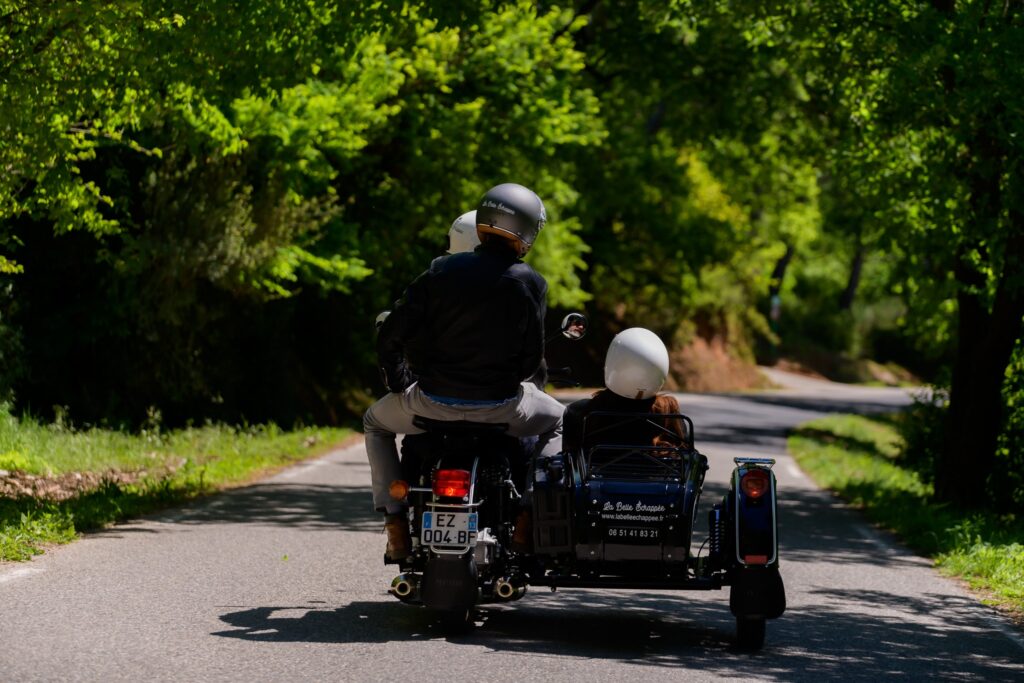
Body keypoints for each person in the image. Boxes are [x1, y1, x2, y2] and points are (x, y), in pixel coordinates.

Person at [365, 183, 566, 560]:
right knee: (561, 422)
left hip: (429, 403)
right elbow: (529, 359)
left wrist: (400, 382)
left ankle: (395, 525)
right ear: (526, 230)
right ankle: (526, 515)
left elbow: (391, 334)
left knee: (375, 423)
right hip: (501, 407)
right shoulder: (530, 283)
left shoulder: (440, 270)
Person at [562, 327, 688, 457]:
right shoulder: (670, 414)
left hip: (602, 475)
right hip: (656, 476)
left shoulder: (582, 412)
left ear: (611, 365)